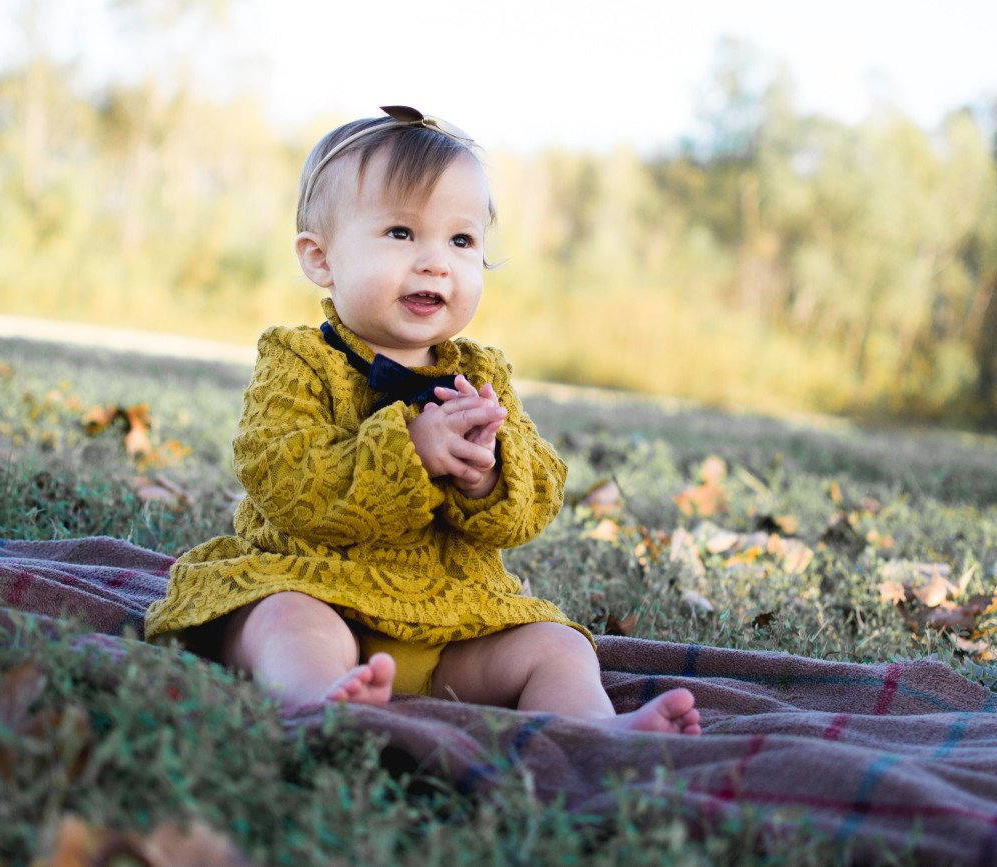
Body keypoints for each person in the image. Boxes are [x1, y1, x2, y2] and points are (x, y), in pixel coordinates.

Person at [145, 106, 700, 735]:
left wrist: (488, 475)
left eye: (461, 241)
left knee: (558, 645)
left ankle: (594, 730)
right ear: (321, 259)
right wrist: (408, 450)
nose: (436, 261)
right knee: (282, 621)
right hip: (317, 586)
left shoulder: (482, 375)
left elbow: (539, 493)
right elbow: (284, 474)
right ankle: (317, 701)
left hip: (451, 622)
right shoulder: (298, 360)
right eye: (402, 234)